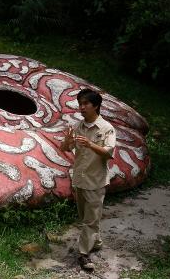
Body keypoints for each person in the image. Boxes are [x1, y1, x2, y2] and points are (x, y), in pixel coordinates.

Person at [61, 88, 116, 271]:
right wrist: (67, 141)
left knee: (90, 220)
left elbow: (108, 153)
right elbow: (65, 149)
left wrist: (90, 144)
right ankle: (97, 241)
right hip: (79, 179)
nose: (81, 107)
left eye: (85, 104)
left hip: (96, 181)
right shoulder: (78, 127)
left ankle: (83, 254)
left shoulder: (106, 128)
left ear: (96, 106)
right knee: (86, 217)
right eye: (80, 104)